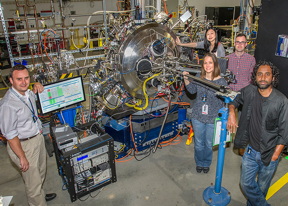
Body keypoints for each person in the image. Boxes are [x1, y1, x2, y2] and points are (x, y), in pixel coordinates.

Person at [227, 61, 288, 206]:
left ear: (273, 78)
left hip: (270, 153)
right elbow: (235, 100)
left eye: (267, 74)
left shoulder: (282, 101)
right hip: (250, 151)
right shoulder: (249, 91)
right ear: (255, 77)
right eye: (259, 74)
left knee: (261, 188)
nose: (263, 77)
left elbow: (285, 131)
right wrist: (231, 113)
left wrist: (275, 155)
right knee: (246, 184)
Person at [0, 65, 56, 206]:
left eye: (26, 78)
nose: (24, 82)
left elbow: (34, 93)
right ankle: (37, 200)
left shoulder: (27, 94)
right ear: (11, 80)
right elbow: (10, 135)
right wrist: (22, 157)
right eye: (19, 79)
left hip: (36, 139)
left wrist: (37, 85)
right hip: (23, 145)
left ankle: (39, 194)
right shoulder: (8, 105)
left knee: (40, 173)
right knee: (32, 184)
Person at [183, 53, 227, 173]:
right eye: (205, 63)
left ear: (215, 64)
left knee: (208, 144)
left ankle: (206, 163)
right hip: (198, 116)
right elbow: (192, 91)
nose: (208, 65)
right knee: (198, 143)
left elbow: (226, 101)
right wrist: (186, 79)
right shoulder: (199, 76)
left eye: (210, 62)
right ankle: (199, 162)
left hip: (213, 118)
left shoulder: (222, 81)